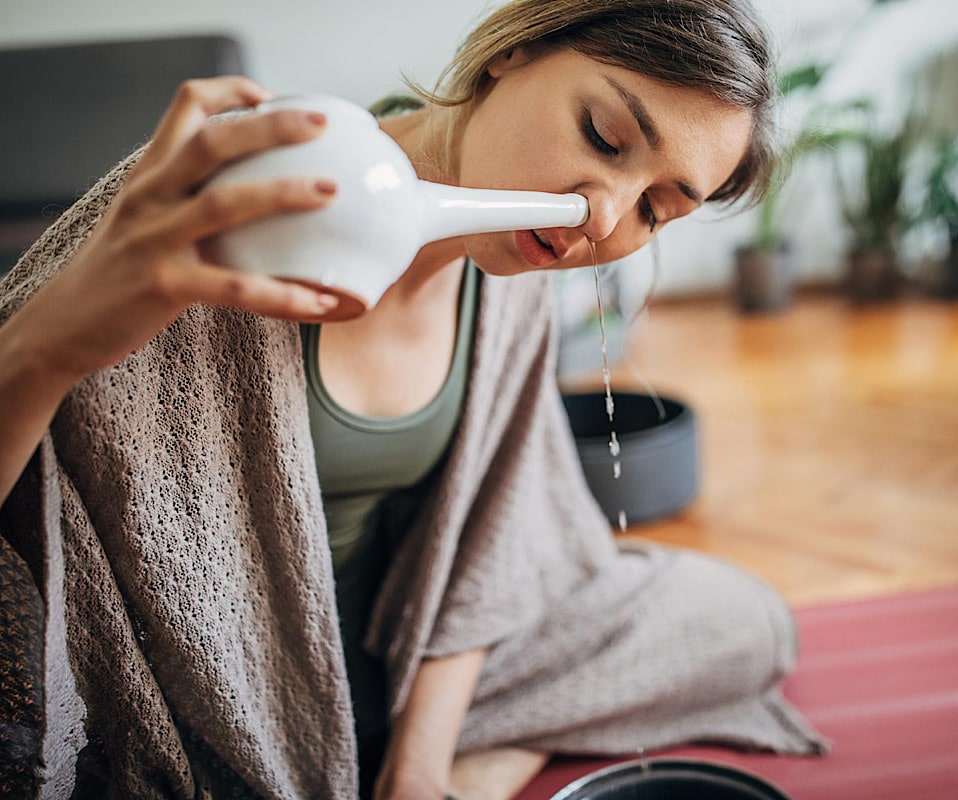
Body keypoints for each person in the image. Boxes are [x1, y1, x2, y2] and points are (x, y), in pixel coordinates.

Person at [0, 1, 826, 798]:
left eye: (655, 208)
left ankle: (471, 760)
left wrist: (423, 774)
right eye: (604, 136)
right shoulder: (252, 186)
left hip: (387, 664)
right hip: (208, 683)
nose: (600, 215)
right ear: (518, 50)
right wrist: (49, 347)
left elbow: (488, 546)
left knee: (737, 617)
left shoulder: (518, 270)